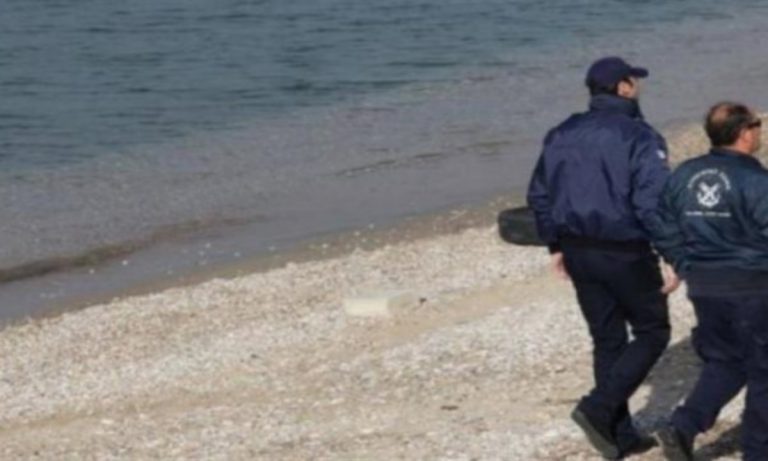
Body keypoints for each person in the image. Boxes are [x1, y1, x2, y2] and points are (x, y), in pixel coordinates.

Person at [527, 56, 679, 459]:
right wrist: (672, 252)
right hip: (624, 250)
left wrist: (555, 245)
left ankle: (618, 435)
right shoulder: (640, 136)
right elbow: (652, 203)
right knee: (653, 331)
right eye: (634, 81)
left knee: (607, 338)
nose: (639, 87)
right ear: (623, 88)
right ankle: (598, 408)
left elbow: (540, 194)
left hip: (578, 248)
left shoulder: (561, 132)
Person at [654, 102, 768, 461]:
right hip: (751, 285)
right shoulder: (756, 181)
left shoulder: (684, 174)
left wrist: (684, 263)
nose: (761, 131)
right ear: (745, 133)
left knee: (726, 361)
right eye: (757, 125)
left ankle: (683, 426)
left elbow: (662, 223)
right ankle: (758, 450)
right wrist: (683, 261)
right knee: (763, 369)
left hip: (705, 285)